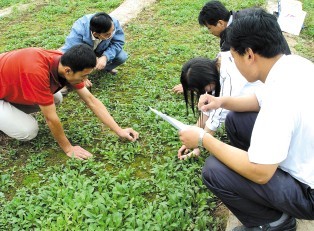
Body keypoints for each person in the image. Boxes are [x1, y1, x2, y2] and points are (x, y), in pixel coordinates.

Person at [178, 10, 313, 231]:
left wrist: (204, 139)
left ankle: (274, 222)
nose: (232, 63)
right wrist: (220, 102)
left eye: (233, 56)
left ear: (249, 54)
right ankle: (257, 174)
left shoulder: (279, 101)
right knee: (235, 120)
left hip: (309, 194)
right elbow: (257, 100)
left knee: (214, 170)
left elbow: (262, 173)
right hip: (306, 157)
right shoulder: (294, 64)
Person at [0, 44, 139, 160]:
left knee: (56, 98)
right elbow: (51, 118)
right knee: (28, 131)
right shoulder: (37, 73)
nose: (85, 80)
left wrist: (119, 130)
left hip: (6, 85)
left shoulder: (65, 63)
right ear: (68, 71)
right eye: (84, 76)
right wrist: (68, 148)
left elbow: (91, 100)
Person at [172, 1, 290, 94]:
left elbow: (223, 68)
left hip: (271, 79)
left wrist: (194, 82)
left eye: (209, 28)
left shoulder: (232, 39)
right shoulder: (247, 14)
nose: (210, 32)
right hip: (283, 60)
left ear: (220, 23)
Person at [177, 54, 262, 160]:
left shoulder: (230, 78)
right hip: (255, 102)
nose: (201, 94)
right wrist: (195, 129)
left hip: (264, 111)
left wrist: (198, 144)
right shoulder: (217, 65)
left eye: (200, 90)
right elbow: (208, 105)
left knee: (233, 116)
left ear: (208, 81)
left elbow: (219, 114)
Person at [61, 12, 127, 75]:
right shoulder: (79, 30)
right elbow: (73, 53)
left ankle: (104, 68)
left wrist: (105, 57)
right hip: (83, 52)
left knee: (122, 57)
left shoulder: (113, 23)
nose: (111, 35)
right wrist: (81, 76)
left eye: (112, 31)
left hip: (102, 48)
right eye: (107, 34)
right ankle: (82, 73)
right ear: (95, 33)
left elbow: (118, 42)